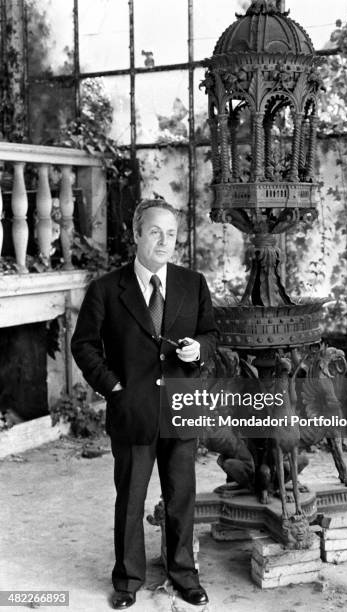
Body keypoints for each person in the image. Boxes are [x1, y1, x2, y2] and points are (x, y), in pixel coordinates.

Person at [71, 198, 217, 610]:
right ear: (135, 234)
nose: (164, 241)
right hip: (132, 411)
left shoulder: (194, 283)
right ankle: (127, 581)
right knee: (131, 501)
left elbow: (212, 335)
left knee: (181, 498)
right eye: (155, 232)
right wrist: (112, 386)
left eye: (171, 233)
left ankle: (184, 576)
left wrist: (198, 351)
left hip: (180, 407)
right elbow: (83, 345)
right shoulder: (106, 289)